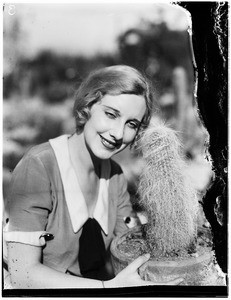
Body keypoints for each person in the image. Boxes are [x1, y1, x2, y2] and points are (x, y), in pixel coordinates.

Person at [4, 65, 183, 289]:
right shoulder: (39, 165)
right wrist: (107, 289)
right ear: (87, 106)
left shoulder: (115, 175)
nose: (118, 134)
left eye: (131, 124)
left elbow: (130, 246)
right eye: (111, 114)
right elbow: (23, 275)